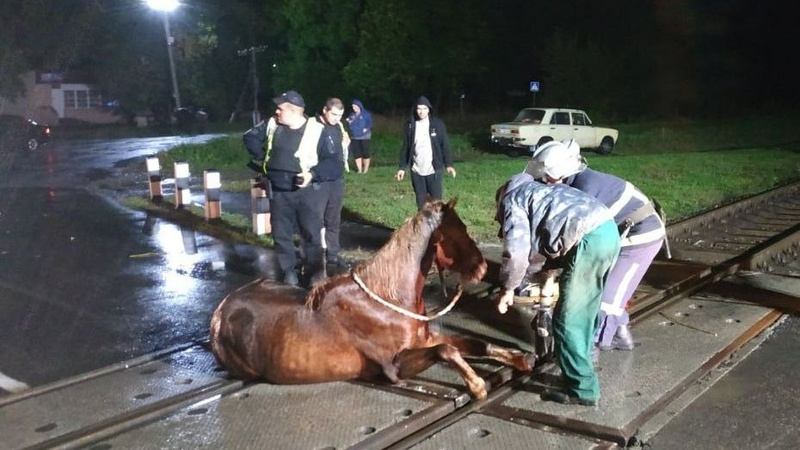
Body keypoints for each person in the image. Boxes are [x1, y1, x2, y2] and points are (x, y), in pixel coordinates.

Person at [525, 139, 667, 352]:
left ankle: (589, 352)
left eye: (547, 178)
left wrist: (546, 264)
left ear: (559, 175)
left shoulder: (585, 189)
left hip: (640, 236)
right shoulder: (574, 181)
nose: (544, 183)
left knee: (604, 301)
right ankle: (620, 336)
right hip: (620, 234)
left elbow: (573, 235)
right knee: (606, 291)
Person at [495, 172, 619, 406]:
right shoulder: (540, 190)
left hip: (590, 241)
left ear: (501, 198)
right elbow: (555, 228)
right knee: (586, 310)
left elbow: (516, 252)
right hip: (608, 231)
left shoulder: (513, 201)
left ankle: (582, 390)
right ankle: (583, 362)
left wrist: (508, 288)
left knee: (567, 319)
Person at [265, 90, 325, 287]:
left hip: (305, 191)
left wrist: (312, 174)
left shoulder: (317, 130)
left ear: (293, 111)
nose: (277, 111)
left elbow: (333, 162)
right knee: (281, 235)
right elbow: (253, 141)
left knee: (311, 234)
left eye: (281, 108)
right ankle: (288, 274)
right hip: (279, 190)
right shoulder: (274, 126)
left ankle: (315, 273)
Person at [395, 96, 456, 210]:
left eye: (424, 108)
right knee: (421, 204)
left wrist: (449, 165)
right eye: (419, 108)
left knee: (436, 204)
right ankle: (423, 227)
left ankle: (437, 227)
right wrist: (402, 168)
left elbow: (445, 145)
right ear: (415, 109)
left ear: (429, 110)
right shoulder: (410, 125)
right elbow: (406, 147)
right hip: (417, 171)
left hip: (434, 170)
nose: (421, 112)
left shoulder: (437, 125)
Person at [311, 97, 349, 271]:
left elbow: (341, 153)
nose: (336, 118)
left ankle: (333, 255)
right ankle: (314, 257)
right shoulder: (313, 126)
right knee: (315, 221)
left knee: (333, 220)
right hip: (318, 182)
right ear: (325, 110)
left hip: (336, 181)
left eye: (340, 115)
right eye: (334, 114)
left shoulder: (338, 127)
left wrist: (346, 146)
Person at [345, 99, 373, 173]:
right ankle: (359, 170)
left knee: (365, 152)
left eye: (355, 106)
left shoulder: (366, 114)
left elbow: (370, 123)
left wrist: (365, 129)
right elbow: (350, 124)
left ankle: (365, 169)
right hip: (354, 136)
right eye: (353, 107)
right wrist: (349, 122)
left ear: (359, 106)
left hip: (365, 136)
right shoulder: (352, 115)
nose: (354, 108)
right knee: (356, 153)